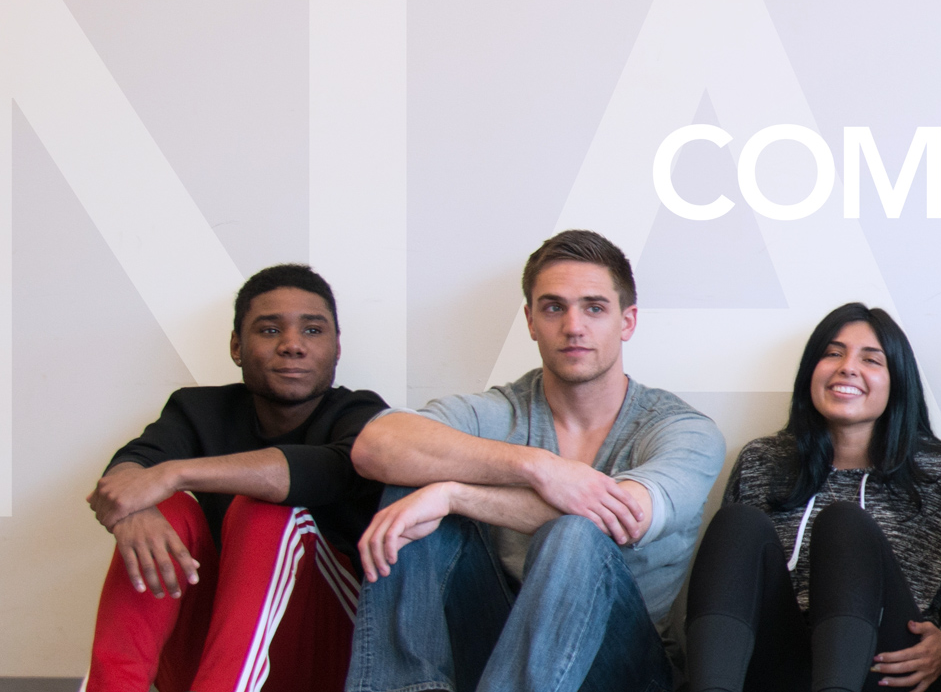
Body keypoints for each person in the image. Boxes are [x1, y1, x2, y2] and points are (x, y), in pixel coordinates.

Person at [344, 229, 728, 692]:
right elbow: (375, 446)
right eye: (553, 308)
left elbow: (619, 519)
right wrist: (538, 467)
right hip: (497, 652)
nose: (573, 326)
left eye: (594, 307)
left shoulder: (683, 429)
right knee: (411, 482)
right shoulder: (505, 410)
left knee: (574, 531)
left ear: (627, 322)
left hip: (624, 667)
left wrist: (453, 494)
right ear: (530, 321)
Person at [80, 264, 390, 692]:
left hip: (326, 656)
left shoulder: (362, 417)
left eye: (313, 331)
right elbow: (124, 476)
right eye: (268, 331)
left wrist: (173, 473)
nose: (292, 346)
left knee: (264, 510)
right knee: (163, 509)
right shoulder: (198, 410)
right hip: (208, 656)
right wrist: (133, 508)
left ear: (338, 348)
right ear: (236, 347)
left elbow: (323, 470)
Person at [684, 302, 941, 692]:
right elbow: (732, 584)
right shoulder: (761, 461)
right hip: (779, 666)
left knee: (844, 522)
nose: (847, 367)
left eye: (871, 359)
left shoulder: (940, 470)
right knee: (737, 523)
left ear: (897, 380)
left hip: (884, 664)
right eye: (833, 353)